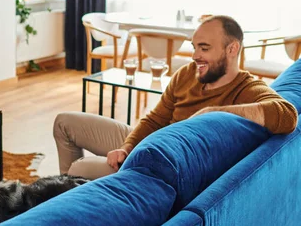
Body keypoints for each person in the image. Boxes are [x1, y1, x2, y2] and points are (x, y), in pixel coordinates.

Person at [54, 15, 298, 179]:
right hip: (144, 144)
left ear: (232, 49)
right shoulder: (187, 74)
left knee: (79, 169)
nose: (194, 56)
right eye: (194, 47)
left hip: (161, 163)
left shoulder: (246, 88)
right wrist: (127, 147)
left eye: (204, 48)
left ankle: (71, 198)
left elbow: (287, 115)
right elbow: (155, 119)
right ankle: (65, 200)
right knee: (64, 122)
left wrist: (216, 113)